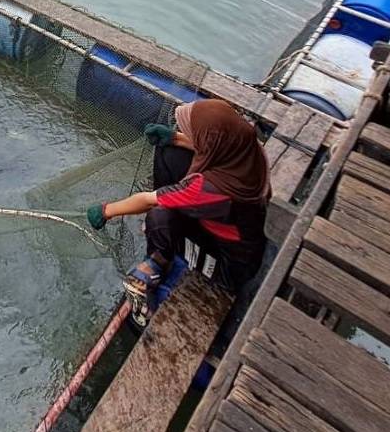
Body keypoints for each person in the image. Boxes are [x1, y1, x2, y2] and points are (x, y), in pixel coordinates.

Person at [85, 99, 270, 325]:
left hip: (228, 266)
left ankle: (156, 264)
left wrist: (106, 211)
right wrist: (175, 138)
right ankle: (168, 234)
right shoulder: (249, 148)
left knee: (158, 217)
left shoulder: (208, 190)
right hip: (234, 228)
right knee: (170, 152)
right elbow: (208, 146)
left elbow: (147, 201)